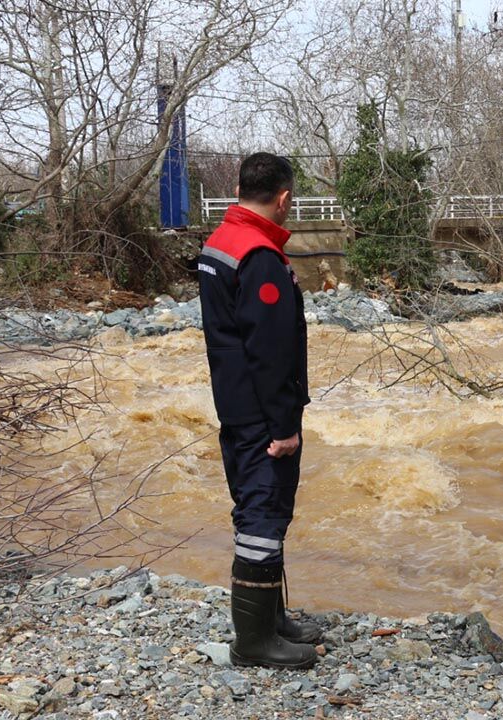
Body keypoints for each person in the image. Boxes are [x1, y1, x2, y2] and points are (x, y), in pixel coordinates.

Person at [196, 152, 319, 669]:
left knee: (258, 508)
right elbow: (270, 351)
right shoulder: (259, 255)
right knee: (263, 514)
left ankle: (271, 620)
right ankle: (253, 641)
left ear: (240, 189)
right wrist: (285, 426)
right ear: (283, 198)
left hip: (235, 402)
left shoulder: (221, 242)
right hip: (260, 415)